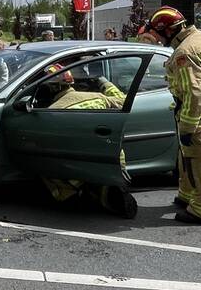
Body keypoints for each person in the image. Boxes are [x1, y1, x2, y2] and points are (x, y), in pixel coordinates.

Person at [148, 6, 201, 224]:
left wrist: (188, 127)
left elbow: (194, 95)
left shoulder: (184, 52)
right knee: (187, 156)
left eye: (157, 33)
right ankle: (188, 194)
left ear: (168, 31)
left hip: (198, 112)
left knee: (199, 159)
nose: (156, 37)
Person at [37, 63, 137, 219]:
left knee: (42, 156)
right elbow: (124, 101)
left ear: (51, 88)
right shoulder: (97, 97)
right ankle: (109, 187)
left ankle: (69, 196)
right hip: (112, 161)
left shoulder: (53, 111)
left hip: (78, 169)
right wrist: (101, 81)